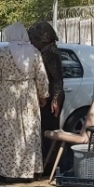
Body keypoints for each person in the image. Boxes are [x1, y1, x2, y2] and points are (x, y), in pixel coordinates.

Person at [0, 23, 49, 183]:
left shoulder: (3, 53)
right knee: (28, 132)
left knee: (6, 133)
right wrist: (43, 95)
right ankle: (28, 171)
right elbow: (41, 76)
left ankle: (4, 171)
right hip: (28, 96)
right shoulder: (34, 52)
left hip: (7, 96)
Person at [28, 21, 64, 173]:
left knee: (48, 132)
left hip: (50, 98)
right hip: (47, 96)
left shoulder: (50, 54)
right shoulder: (45, 52)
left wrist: (55, 99)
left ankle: (50, 166)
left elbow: (57, 79)